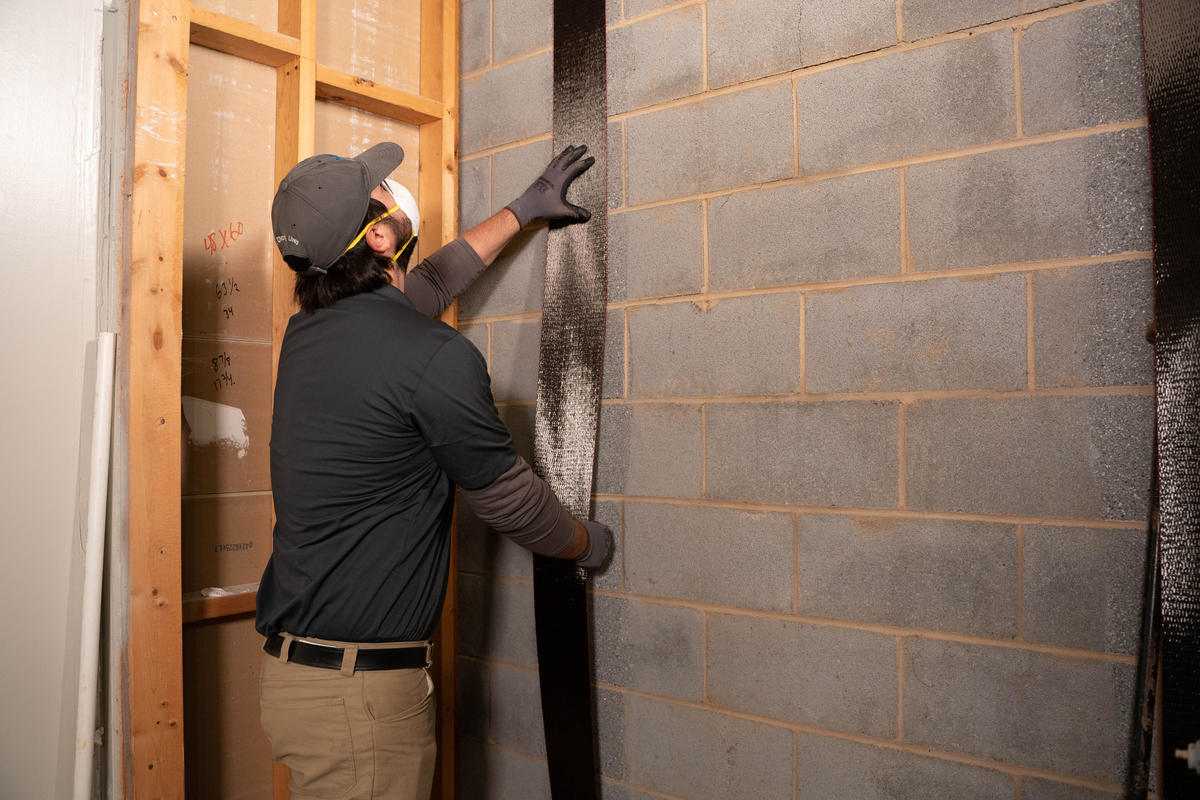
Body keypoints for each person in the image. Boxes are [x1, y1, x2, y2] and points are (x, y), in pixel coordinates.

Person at [256, 141, 611, 800]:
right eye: (382, 190)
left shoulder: (309, 336)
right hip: (357, 701)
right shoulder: (433, 355)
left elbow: (436, 281)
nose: (394, 189)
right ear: (381, 236)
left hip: (303, 682)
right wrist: (589, 544)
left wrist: (524, 208)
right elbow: (509, 504)